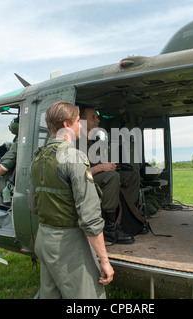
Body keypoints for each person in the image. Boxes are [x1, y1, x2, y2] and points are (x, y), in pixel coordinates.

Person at [30, 101, 113, 299]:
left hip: (44, 239)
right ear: (67, 125)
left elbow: (33, 205)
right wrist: (104, 260)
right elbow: (90, 218)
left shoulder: (38, 158)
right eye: (77, 121)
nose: (81, 125)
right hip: (68, 246)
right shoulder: (74, 158)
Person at [79, 107, 140, 244]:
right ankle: (109, 228)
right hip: (84, 180)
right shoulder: (76, 142)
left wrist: (111, 168)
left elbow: (102, 164)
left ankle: (128, 219)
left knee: (132, 175)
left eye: (97, 116)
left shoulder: (95, 142)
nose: (98, 120)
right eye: (93, 117)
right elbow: (78, 174)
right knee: (111, 177)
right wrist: (102, 168)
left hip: (99, 177)